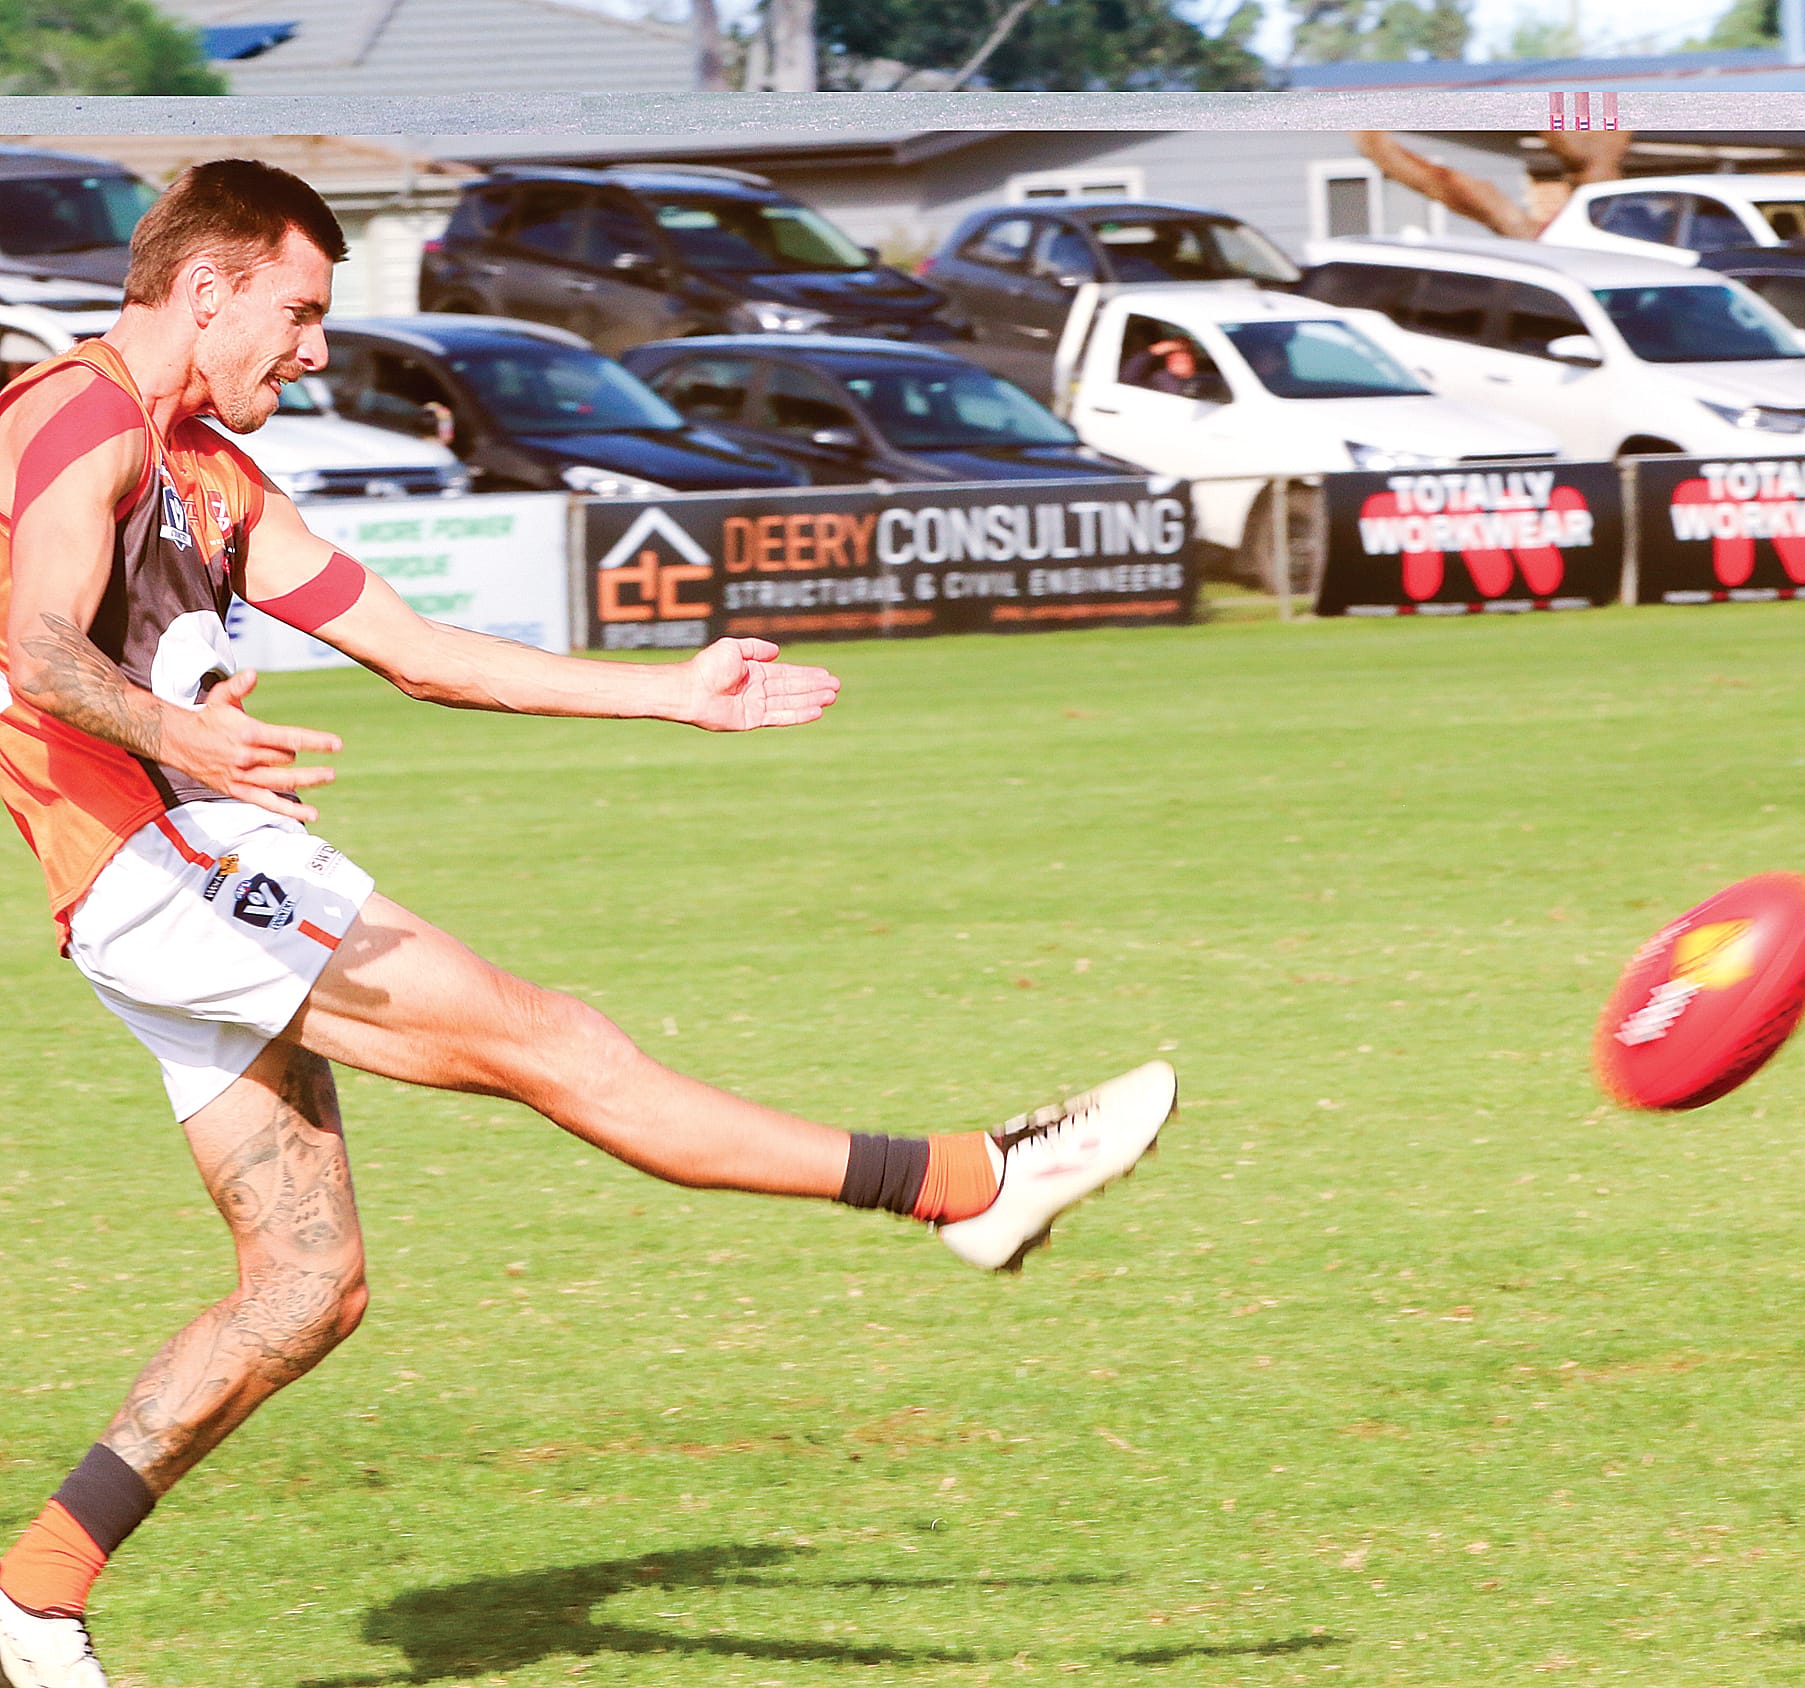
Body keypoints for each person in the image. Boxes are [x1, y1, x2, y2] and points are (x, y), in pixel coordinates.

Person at [0, 160, 1176, 1688]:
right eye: (294, 313)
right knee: (548, 1039)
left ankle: (32, 1601)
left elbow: (418, 651)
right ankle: (967, 1185)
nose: (310, 350)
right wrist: (182, 727)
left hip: (168, 870)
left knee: (306, 1288)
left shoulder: (212, 475)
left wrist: (669, 691)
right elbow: (31, 642)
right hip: (160, 862)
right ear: (206, 287)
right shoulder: (72, 417)